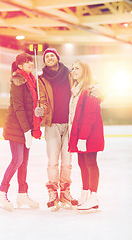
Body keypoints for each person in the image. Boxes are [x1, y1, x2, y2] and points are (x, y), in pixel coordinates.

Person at [35, 48, 101, 211]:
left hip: (71, 125)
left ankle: (65, 191)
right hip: (52, 124)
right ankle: (52, 191)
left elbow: (90, 82)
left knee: (68, 162)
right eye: (46, 56)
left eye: (52, 55)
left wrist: (101, 91)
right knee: (52, 161)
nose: (49, 58)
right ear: (45, 60)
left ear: (57, 58)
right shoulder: (42, 79)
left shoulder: (71, 74)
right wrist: (41, 110)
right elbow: (42, 100)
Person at [0, 53, 42, 211]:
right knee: (17, 160)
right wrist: (27, 131)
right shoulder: (18, 81)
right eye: (27, 62)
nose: (30, 63)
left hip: (27, 127)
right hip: (17, 127)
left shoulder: (31, 81)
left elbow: (31, 106)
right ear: (20, 65)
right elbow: (19, 107)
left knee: (24, 163)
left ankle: (22, 194)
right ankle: (1, 191)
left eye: (31, 61)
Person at [68, 60, 105, 212]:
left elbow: (89, 116)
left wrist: (83, 138)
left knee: (91, 164)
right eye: (73, 68)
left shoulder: (90, 89)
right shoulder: (76, 89)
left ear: (85, 71)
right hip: (79, 134)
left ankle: (93, 198)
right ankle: (85, 193)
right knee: (82, 164)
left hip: (89, 134)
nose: (73, 70)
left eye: (77, 68)